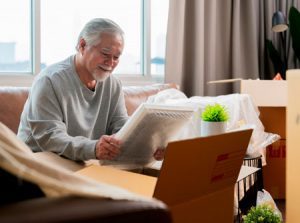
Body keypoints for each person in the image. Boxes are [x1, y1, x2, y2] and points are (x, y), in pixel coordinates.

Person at [17, 18, 164, 162]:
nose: (111, 63)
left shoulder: (113, 84)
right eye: (105, 54)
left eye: (116, 57)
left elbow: (120, 126)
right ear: (82, 45)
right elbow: (50, 137)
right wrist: (93, 148)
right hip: (37, 161)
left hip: (81, 161)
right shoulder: (49, 81)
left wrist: (149, 145)